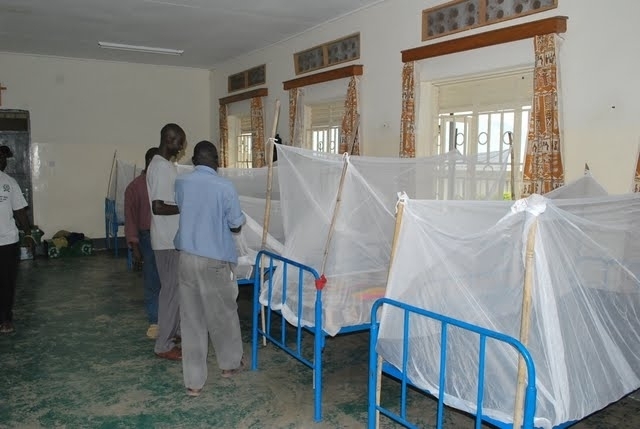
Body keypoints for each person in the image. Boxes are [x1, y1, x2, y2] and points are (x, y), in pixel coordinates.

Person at [174, 140, 246, 397]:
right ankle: (229, 365)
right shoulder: (224, 186)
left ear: (194, 160)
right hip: (214, 260)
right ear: (217, 161)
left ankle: (194, 383)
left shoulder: (181, 183)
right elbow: (236, 225)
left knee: (191, 320)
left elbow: (185, 210)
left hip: (186, 257)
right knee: (222, 315)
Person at [146, 124, 186, 361]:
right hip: (167, 240)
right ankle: (163, 345)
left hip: (169, 238)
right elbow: (158, 206)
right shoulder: (161, 167)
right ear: (169, 140)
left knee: (175, 290)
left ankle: (175, 331)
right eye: (180, 142)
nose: (181, 148)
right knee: (170, 292)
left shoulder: (163, 165)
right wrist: (186, 206)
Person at [125, 147, 161, 339]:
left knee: (169, 281)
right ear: (150, 162)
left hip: (166, 236)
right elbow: (130, 218)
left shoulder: (164, 182)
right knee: (152, 280)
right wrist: (135, 246)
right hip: (147, 237)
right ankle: (155, 321)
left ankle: (170, 320)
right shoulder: (135, 187)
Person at [0, 145, 34, 334]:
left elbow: (20, 211)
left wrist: (28, 233)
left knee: (7, 282)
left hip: (7, 241)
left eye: (4, 158)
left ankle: (6, 319)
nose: (2, 161)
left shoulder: (9, 182)